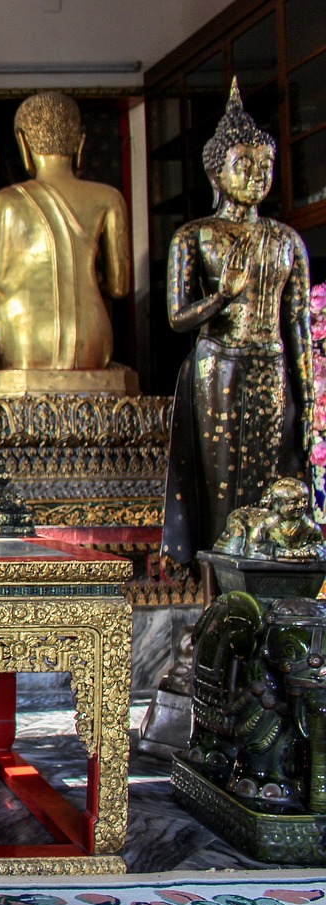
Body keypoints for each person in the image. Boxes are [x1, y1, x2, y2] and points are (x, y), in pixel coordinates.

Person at [162, 81, 313, 566]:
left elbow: (299, 329)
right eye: (243, 165)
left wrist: (309, 405)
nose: (255, 176)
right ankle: (216, 586)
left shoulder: (286, 241)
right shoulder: (196, 236)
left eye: (264, 166)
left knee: (273, 487)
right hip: (218, 366)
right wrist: (221, 296)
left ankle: (267, 581)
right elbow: (178, 318)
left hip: (271, 364)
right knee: (220, 485)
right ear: (216, 171)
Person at [0, 92, 130, 373]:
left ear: (23, 143)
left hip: (27, 336)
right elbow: (119, 286)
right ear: (80, 141)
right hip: (92, 338)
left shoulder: (6, 200)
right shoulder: (109, 198)